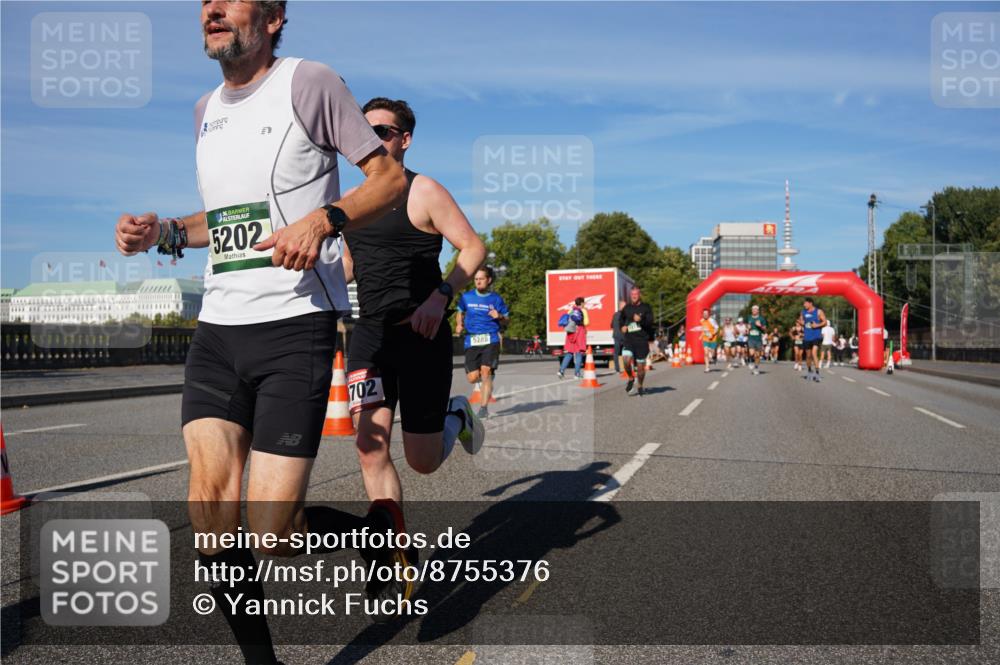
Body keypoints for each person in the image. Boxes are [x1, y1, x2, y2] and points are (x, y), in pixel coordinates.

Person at [114, 2, 408, 661]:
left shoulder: (310, 82)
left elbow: (386, 179)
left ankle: (372, 532)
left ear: (273, 17)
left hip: (293, 326)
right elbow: (227, 223)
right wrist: (160, 234)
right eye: (204, 0)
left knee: (274, 532)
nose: (211, 8)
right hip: (218, 331)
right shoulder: (203, 110)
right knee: (213, 522)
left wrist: (325, 219)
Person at [340, 96, 488, 614]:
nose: (373, 137)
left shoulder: (422, 189)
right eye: (365, 129)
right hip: (369, 339)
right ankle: (394, 556)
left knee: (422, 462)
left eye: (383, 130)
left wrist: (440, 296)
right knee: (368, 447)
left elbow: (473, 248)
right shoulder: (351, 201)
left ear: (404, 139)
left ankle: (456, 415)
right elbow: (349, 270)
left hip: (421, 337)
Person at [455, 266, 510, 418]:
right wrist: (459, 324)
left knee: (486, 372)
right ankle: (486, 377)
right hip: (472, 339)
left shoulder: (496, 299)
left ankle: (484, 408)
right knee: (473, 378)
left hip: (490, 338)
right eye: (476, 279)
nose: (478, 281)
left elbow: (507, 320)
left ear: (489, 280)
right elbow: (460, 311)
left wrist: (499, 316)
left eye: (481, 279)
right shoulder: (467, 297)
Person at [619, 287, 655, 395]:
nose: (634, 296)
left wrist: (641, 320)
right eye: (632, 294)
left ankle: (640, 385)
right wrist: (622, 327)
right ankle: (630, 378)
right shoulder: (627, 308)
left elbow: (650, 321)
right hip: (629, 339)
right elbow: (621, 319)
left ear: (639, 295)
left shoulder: (646, 307)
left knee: (640, 368)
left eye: (636, 294)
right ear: (630, 295)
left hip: (641, 341)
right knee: (625, 360)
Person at [558, 297, 589, 379]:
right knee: (579, 354)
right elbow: (586, 322)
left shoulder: (571, 311)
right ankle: (577, 374)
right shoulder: (582, 311)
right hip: (579, 334)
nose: (584, 304)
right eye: (584, 303)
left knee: (569, 353)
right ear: (581, 303)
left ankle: (561, 371)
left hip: (570, 334)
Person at [798, 297, 828, 382]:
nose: (804, 305)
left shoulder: (818, 311)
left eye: (805, 303)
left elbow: (825, 322)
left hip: (816, 336)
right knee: (808, 355)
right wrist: (801, 323)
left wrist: (817, 325)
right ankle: (809, 371)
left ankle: (817, 373)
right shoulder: (803, 312)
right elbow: (802, 322)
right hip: (807, 337)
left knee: (814, 353)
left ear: (810, 303)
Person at [746, 304, 767, 375]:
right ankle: (751, 361)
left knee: (757, 355)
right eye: (753, 309)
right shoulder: (749, 317)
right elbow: (747, 327)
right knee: (751, 353)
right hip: (751, 338)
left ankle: (756, 367)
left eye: (755, 309)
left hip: (758, 339)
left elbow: (765, 329)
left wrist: (760, 325)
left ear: (758, 311)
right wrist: (747, 329)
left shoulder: (762, 318)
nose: (754, 311)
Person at [699, 308, 719, 373]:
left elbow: (717, 328)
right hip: (705, 339)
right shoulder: (701, 321)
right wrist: (701, 335)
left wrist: (712, 334)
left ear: (709, 314)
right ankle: (707, 367)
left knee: (712, 352)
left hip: (713, 339)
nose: (705, 315)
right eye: (704, 314)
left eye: (706, 314)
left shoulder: (712, 321)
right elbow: (703, 329)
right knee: (706, 353)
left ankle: (714, 356)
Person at [611, 299, 626, 374]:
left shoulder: (615, 315)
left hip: (616, 336)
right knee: (625, 352)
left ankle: (617, 369)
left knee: (616, 353)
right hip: (623, 336)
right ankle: (627, 368)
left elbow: (611, 325)